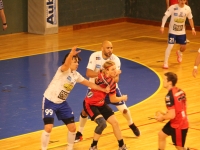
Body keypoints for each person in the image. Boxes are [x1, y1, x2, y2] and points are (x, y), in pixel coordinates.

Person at [41, 46, 110, 150]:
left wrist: (103, 89)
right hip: (50, 101)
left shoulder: (76, 75)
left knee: (73, 128)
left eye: (78, 62)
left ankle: (69, 148)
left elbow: (89, 84)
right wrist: (71, 54)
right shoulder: (63, 70)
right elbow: (65, 64)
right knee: (48, 127)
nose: (77, 64)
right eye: (75, 61)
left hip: (62, 103)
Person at [75, 41, 140, 142]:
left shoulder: (116, 60)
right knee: (85, 111)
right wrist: (104, 75)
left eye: (111, 48)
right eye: (107, 48)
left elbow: (117, 80)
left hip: (111, 89)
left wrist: (112, 75)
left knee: (124, 110)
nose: (110, 50)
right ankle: (79, 133)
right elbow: (88, 73)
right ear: (102, 48)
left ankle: (131, 124)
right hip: (96, 89)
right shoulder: (94, 56)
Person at [84, 60, 128, 150]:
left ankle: (122, 146)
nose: (115, 71)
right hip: (90, 104)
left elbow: (113, 98)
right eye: (112, 69)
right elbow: (112, 97)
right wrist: (122, 97)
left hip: (100, 103)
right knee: (102, 124)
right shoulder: (106, 79)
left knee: (115, 123)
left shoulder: (106, 78)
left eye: (115, 69)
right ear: (107, 71)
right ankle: (93, 146)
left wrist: (122, 98)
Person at [156, 72, 189, 150]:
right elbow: (182, 106)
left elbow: (172, 115)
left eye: (164, 79)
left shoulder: (169, 96)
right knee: (161, 135)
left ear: (170, 82)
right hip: (179, 121)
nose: (163, 81)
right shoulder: (180, 91)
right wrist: (167, 112)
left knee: (179, 147)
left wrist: (162, 117)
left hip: (178, 125)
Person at [160, 0, 196, 69]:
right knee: (170, 46)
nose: (182, 1)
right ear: (178, 0)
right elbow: (165, 16)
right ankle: (165, 63)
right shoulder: (173, 7)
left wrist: (193, 28)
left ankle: (179, 52)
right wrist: (162, 26)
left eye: (184, 0)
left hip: (182, 32)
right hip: (172, 31)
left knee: (183, 47)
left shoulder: (187, 8)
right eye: (181, 0)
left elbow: (190, 19)